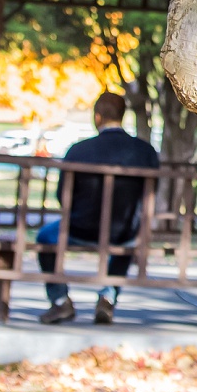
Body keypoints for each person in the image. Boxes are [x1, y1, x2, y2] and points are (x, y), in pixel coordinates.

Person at [37, 91, 161, 325]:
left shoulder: (78, 150)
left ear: (97, 117)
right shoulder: (145, 152)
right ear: (122, 115)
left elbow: (63, 196)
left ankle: (60, 300)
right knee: (130, 237)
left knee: (45, 236)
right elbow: (150, 195)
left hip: (80, 228)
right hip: (124, 230)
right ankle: (108, 297)